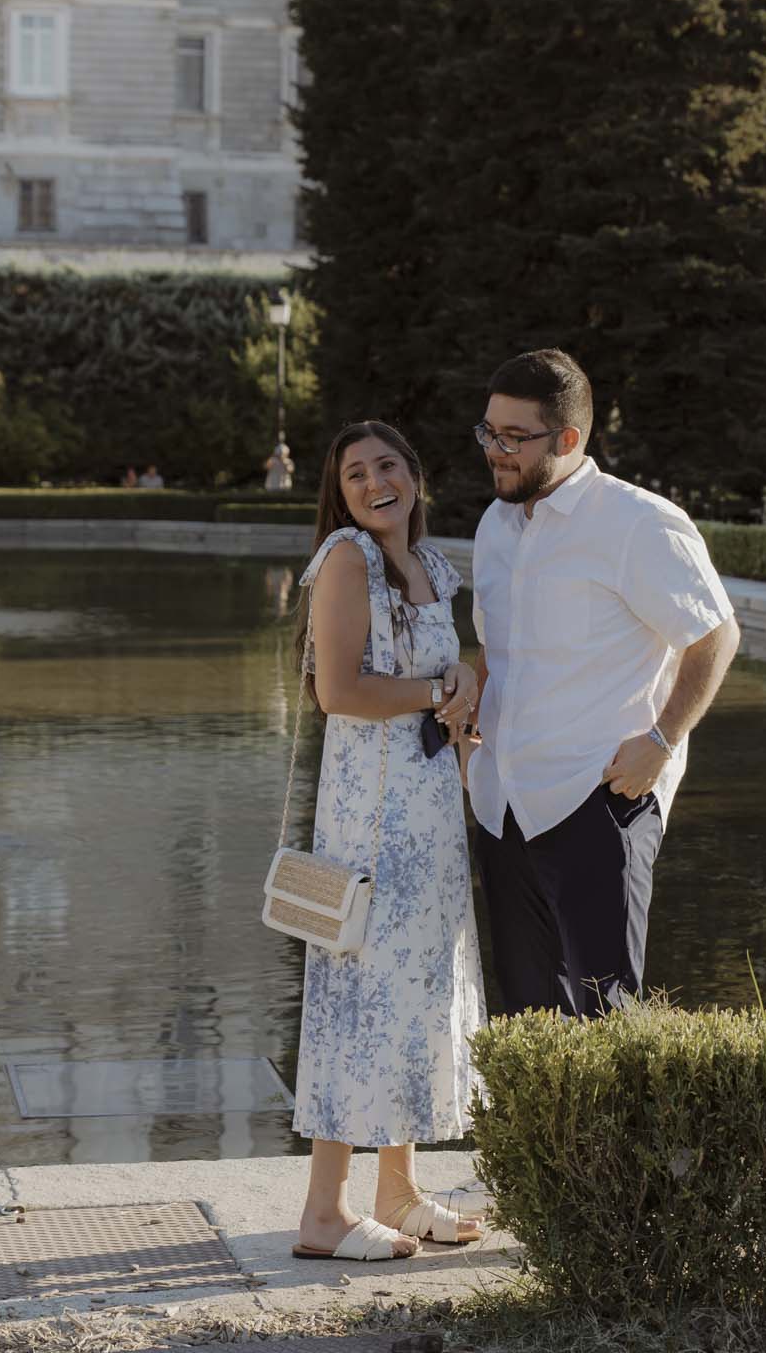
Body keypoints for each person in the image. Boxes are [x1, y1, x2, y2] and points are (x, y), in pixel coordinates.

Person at [466, 350, 741, 1020]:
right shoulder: (494, 526)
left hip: (599, 798)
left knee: (608, 1017)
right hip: (503, 803)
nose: (495, 451)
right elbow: (499, 651)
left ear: (567, 440)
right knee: (527, 1024)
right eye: (489, 432)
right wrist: (470, 730)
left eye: (514, 437)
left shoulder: (638, 522)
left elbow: (714, 634)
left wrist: (662, 740)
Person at [290, 420, 486, 1264]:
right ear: (341, 493)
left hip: (429, 815)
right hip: (368, 820)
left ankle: (398, 1191)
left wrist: (463, 679)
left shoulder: (433, 566)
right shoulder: (345, 559)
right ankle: (323, 1213)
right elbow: (338, 691)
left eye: (388, 466)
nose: (376, 484)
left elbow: (443, 674)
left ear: (415, 474)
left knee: (413, 992)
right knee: (356, 996)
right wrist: (438, 689)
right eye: (356, 473)